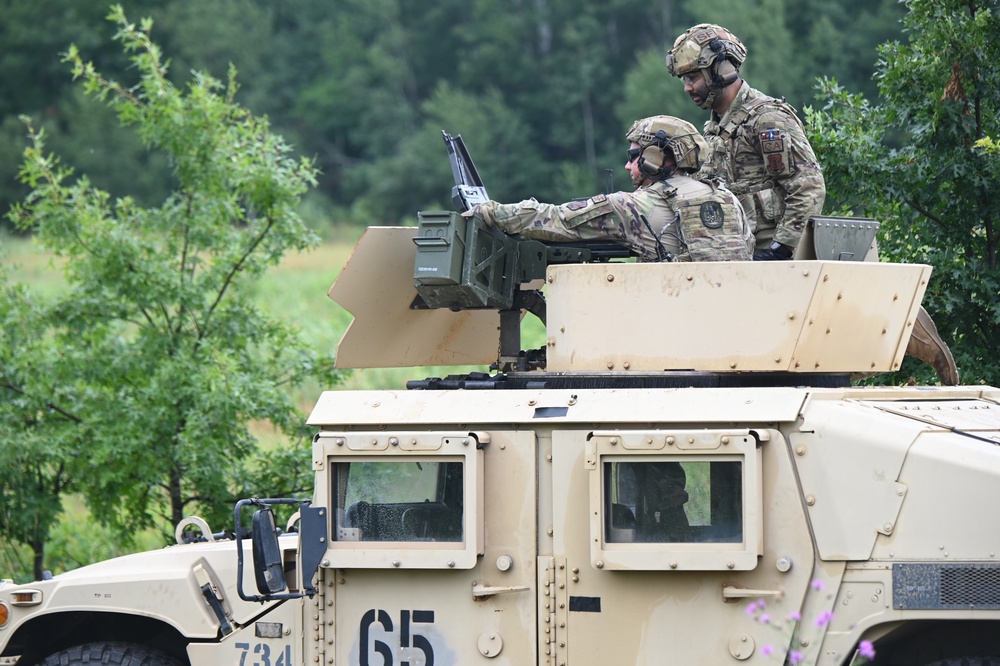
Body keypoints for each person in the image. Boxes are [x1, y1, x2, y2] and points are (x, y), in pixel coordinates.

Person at [466, 115, 753, 262]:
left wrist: (489, 211)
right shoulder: (726, 197)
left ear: (654, 158)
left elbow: (555, 219)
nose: (628, 166)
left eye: (633, 156)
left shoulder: (634, 206)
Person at [666, 24, 825, 261]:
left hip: (770, 262)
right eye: (684, 80)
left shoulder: (767, 119)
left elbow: (808, 188)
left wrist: (780, 249)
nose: (688, 87)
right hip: (733, 258)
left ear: (721, 70)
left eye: (692, 77)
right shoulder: (713, 130)